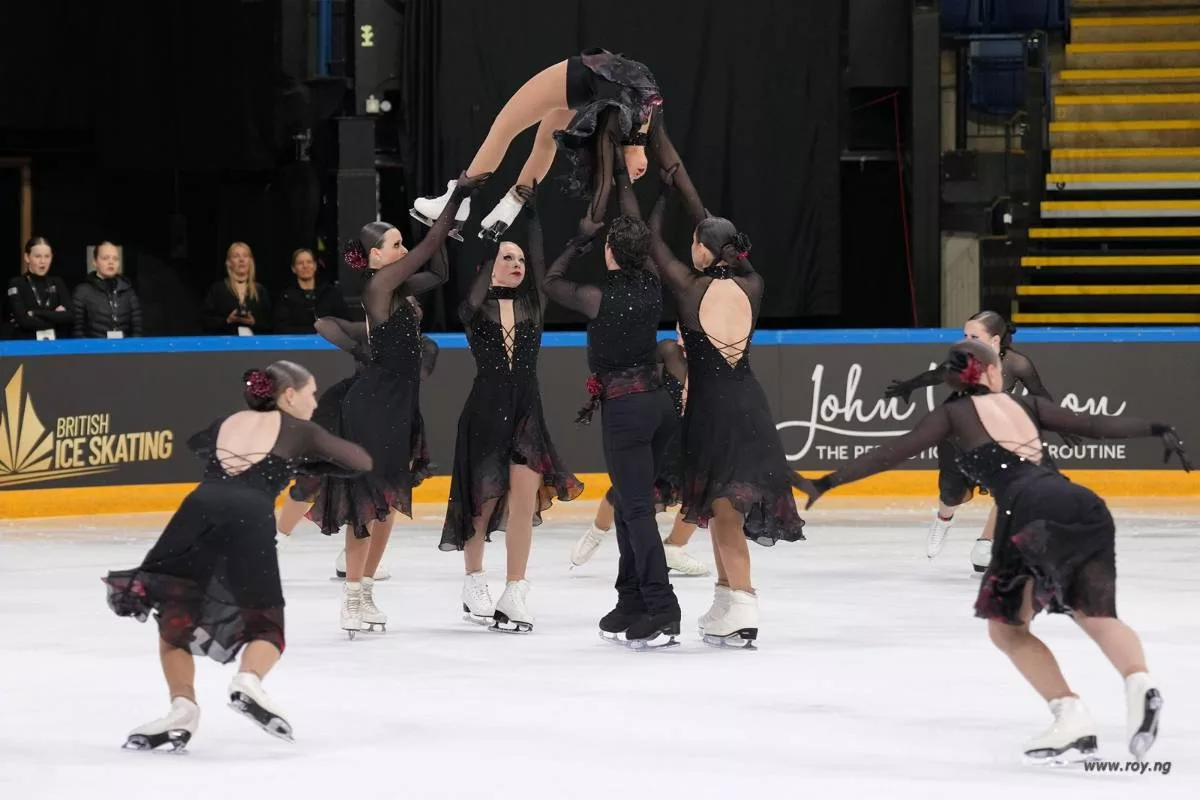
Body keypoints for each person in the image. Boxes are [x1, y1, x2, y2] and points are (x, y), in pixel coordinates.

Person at [799, 339, 1188, 764]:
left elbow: (892, 453)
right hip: (1082, 503)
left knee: (1007, 628)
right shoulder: (1027, 406)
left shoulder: (953, 414)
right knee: (1096, 615)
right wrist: (1156, 426)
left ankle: (1070, 714)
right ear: (989, 371)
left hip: (1028, 511)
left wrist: (828, 482)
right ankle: (1140, 683)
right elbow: (1093, 425)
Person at [102, 361, 372, 751]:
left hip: (198, 509)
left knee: (175, 614)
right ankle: (247, 681)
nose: (314, 402)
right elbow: (359, 462)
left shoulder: (225, 421)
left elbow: (197, 442)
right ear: (289, 395)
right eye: (310, 393)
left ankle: (182, 708)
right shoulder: (301, 430)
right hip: (249, 513)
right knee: (267, 628)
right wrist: (303, 460)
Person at [635, 124, 806, 647]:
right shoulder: (754, 285)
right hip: (750, 402)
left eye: (697, 244)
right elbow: (712, 231)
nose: (691, 248)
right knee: (720, 508)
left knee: (726, 513)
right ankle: (727, 599)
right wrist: (681, 181)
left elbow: (649, 239)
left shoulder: (688, 288)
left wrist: (665, 192)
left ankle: (744, 604)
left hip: (712, 410)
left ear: (708, 251)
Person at [308, 174, 481, 637]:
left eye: (403, 241)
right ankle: (351, 598)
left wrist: (439, 221)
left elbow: (440, 272)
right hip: (373, 405)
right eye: (395, 244)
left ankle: (365, 591)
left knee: (387, 503)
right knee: (366, 502)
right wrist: (453, 201)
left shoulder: (400, 291)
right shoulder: (379, 287)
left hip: (402, 404)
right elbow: (427, 252)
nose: (403, 249)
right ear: (375, 258)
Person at [441, 185, 583, 632]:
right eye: (509, 258)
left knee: (522, 503)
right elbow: (471, 296)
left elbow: (540, 266)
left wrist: (534, 218)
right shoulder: (475, 307)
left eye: (519, 260)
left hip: (526, 409)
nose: (517, 264)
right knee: (481, 503)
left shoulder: (534, 304)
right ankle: (474, 580)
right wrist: (493, 237)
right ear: (490, 267)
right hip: (484, 409)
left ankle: (516, 589)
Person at [542, 210, 681, 649]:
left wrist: (577, 242)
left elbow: (550, 281)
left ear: (609, 252)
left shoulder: (596, 297)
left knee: (636, 509)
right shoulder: (652, 285)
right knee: (627, 504)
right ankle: (632, 600)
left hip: (626, 411)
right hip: (657, 406)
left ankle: (663, 610)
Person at [884, 311, 1079, 572]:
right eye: (964, 335)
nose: (966, 340)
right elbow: (936, 376)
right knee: (954, 496)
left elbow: (1040, 393)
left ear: (995, 339)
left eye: (974, 336)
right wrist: (908, 386)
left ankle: (985, 544)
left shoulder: (1017, 363)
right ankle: (944, 518)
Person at [410, 49, 660, 242]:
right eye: (634, 175)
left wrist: (592, 222)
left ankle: (457, 203)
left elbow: (607, 181)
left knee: (503, 128)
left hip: (581, 78)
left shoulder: (627, 126)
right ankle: (509, 207)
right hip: (588, 85)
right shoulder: (638, 123)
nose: (636, 175)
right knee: (544, 143)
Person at [276, 297, 439, 584]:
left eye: (412, 305)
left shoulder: (425, 346)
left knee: (381, 488)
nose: (407, 309)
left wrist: (388, 357)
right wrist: (359, 349)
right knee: (313, 478)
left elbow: (417, 374)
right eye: (400, 305)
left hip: (390, 415)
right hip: (345, 406)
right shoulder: (370, 332)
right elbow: (323, 323)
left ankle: (355, 562)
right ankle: (276, 540)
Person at [570, 333, 709, 577]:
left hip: (692, 435)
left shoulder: (709, 360)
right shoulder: (667, 351)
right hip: (662, 432)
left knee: (702, 491)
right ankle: (598, 530)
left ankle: (674, 547)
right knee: (628, 488)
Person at [5, 237, 73, 340]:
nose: (43, 261)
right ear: (27, 257)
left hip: (56, 346)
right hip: (27, 346)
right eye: (37, 256)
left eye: (47, 256)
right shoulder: (17, 283)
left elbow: (70, 316)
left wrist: (36, 313)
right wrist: (56, 317)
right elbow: (24, 322)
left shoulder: (57, 282)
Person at [72, 241, 143, 338]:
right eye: (105, 258)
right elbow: (77, 331)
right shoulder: (82, 291)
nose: (111, 262)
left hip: (124, 350)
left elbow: (137, 329)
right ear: (95, 262)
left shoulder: (128, 291)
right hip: (93, 350)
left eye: (115, 259)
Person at [273, 247, 351, 334]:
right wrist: (313, 331)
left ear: (315, 266)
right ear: (293, 269)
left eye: (309, 262)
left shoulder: (330, 292)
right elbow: (281, 328)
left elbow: (346, 322)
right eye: (300, 263)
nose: (305, 266)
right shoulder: (286, 297)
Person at [200, 242, 272, 335]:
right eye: (236, 256)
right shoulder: (218, 290)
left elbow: (270, 323)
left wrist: (254, 322)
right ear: (228, 263)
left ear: (251, 262)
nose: (241, 260)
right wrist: (227, 321)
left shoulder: (260, 290)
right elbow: (205, 321)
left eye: (245, 256)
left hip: (254, 345)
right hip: (226, 344)